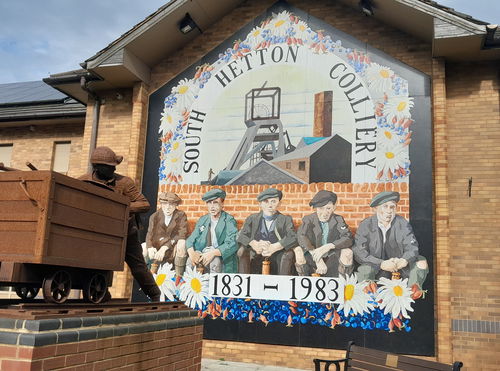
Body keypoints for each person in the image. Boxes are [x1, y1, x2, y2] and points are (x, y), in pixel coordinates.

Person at [79, 146, 161, 301]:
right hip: (99, 232)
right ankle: (101, 295)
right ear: (97, 167)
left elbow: (144, 204)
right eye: (110, 167)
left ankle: (154, 294)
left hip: (126, 232)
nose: (113, 169)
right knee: (96, 262)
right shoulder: (83, 181)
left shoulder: (124, 183)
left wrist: (119, 208)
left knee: (138, 266)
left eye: (114, 166)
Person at [353, 191, 428, 289]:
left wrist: (404, 260)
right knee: (365, 269)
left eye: (392, 207)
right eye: (385, 206)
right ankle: (369, 295)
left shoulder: (402, 223)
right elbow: (359, 252)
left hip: (398, 268)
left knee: (421, 261)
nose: (389, 211)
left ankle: (412, 293)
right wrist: (381, 263)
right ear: (375, 209)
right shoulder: (366, 225)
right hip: (376, 268)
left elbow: (412, 248)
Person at [237, 188, 297, 275]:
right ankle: (244, 282)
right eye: (266, 201)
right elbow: (241, 235)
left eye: (273, 201)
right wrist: (254, 244)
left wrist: (276, 246)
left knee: (289, 254)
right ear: (260, 204)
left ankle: (283, 284)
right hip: (256, 254)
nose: (270, 205)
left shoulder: (285, 219)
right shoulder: (252, 218)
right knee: (242, 251)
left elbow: (292, 237)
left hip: (277, 255)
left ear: (279, 203)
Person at [295, 190, 354, 277]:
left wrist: (328, 246)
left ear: (334, 207)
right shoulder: (308, 219)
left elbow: (348, 238)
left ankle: (343, 285)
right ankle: (303, 284)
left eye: (328, 208)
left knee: (348, 252)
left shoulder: (338, 219)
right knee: (298, 251)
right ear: (316, 208)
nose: (324, 213)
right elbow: (301, 236)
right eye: (321, 208)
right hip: (312, 257)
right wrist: (317, 257)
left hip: (332, 257)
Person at [186, 189, 238, 273]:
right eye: (209, 203)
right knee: (190, 261)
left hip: (221, 256)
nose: (212, 207)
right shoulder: (203, 219)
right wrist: (191, 252)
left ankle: (214, 285)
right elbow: (190, 239)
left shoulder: (229, 220)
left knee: (215, 261)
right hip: (203, 253)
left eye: (215, 203)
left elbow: (232, 243)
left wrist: (213, 253)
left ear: (222, 204)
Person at [144, 192, 188, 277]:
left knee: (182, 242)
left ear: (176, 205)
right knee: (143, 247)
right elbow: (149, 234)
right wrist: (150, 247)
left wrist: (164, 248)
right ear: (161, 204)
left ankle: (179, 277)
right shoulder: (154, 216)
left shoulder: (181, 215)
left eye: (171, 204)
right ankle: (146, 276)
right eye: (164, 204)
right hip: (157, 245)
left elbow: (182, 234)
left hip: (172, 246)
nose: (167, 207)